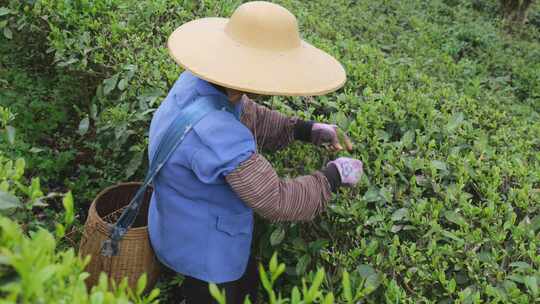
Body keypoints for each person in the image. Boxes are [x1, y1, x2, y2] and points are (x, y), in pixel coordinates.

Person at [147, 2, 363, 303]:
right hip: (208, 251)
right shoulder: (221, 138)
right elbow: (277, 200)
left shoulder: (197, 85)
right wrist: (335, 175)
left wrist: (304, 129)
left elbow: (247, 113)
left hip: (175, 220)